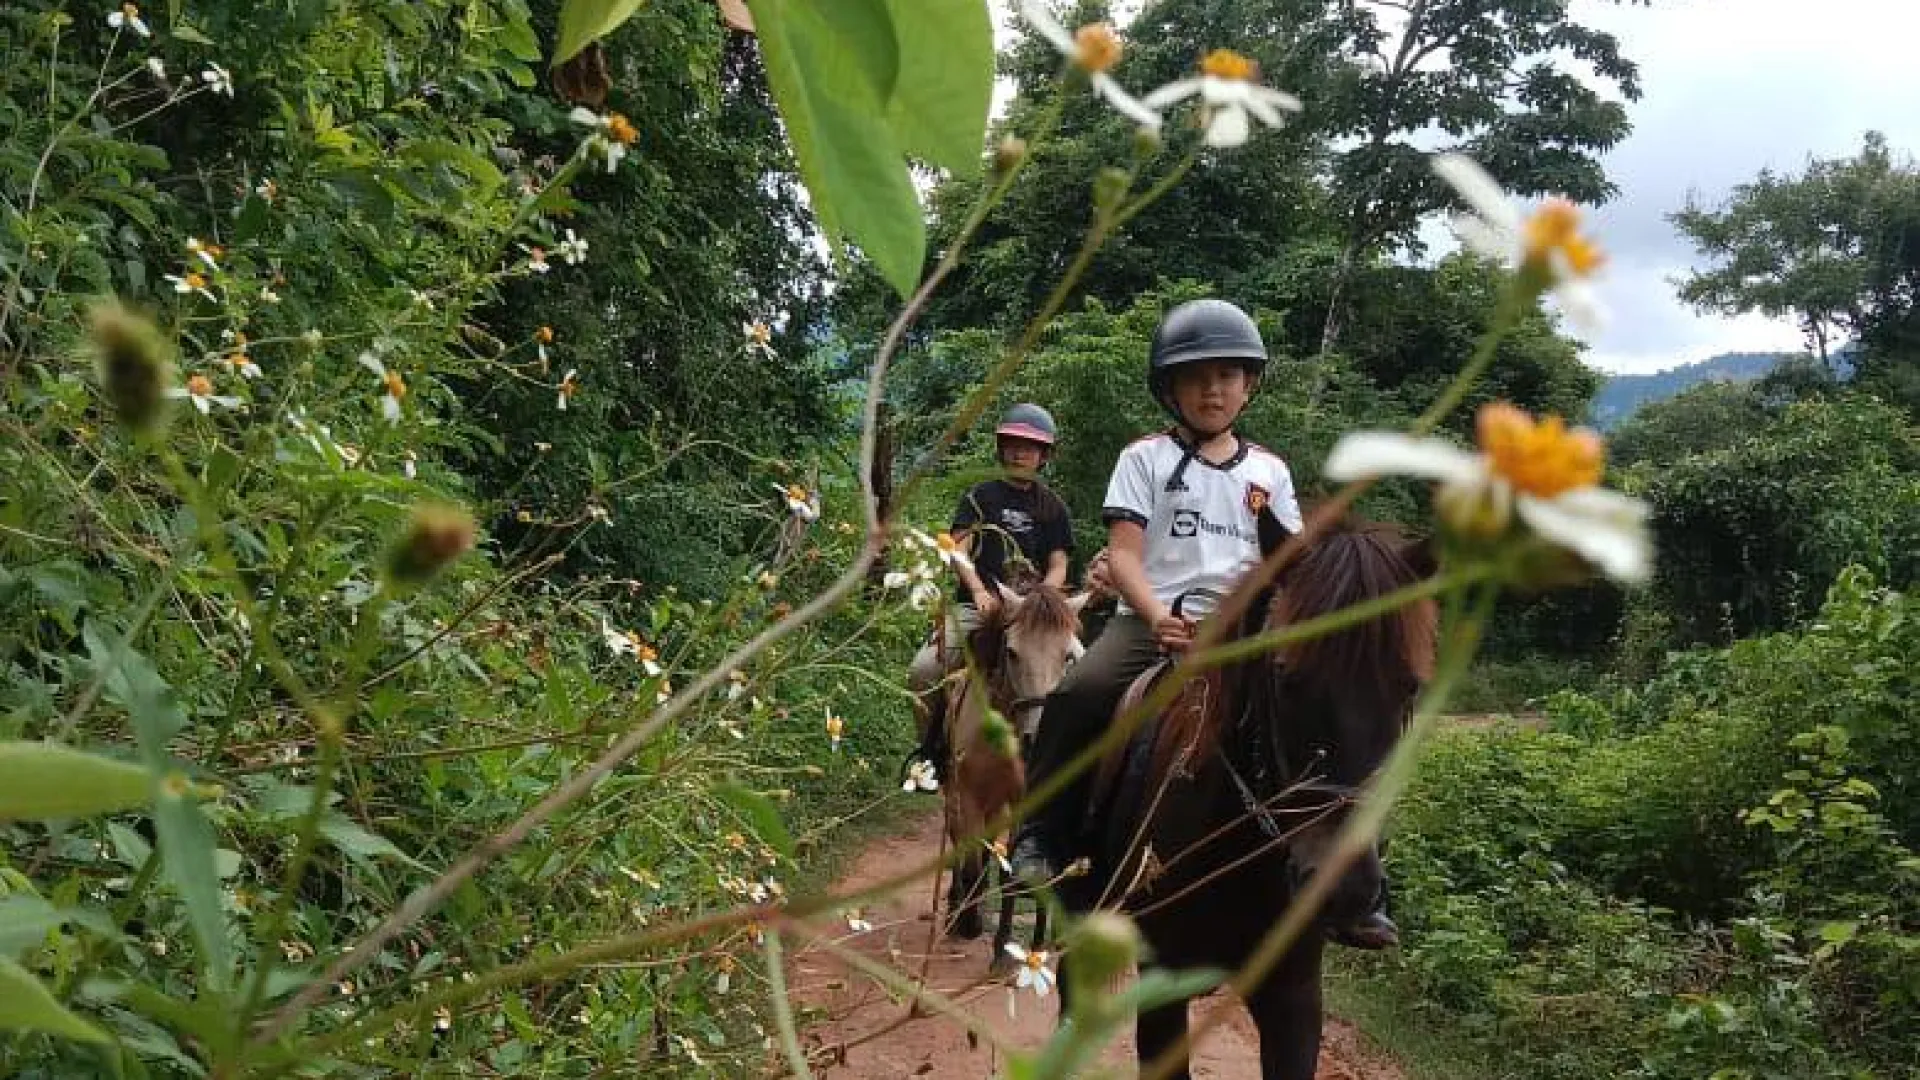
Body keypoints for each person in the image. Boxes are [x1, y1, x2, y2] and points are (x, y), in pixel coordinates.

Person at [1006, 298, 1397, 949]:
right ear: (1171, 388)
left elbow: (1290, 567)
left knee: (1330, 716)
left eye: (1228, 375)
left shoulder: (1270, 473)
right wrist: (1157, 615)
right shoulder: (1145, 458)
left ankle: (1362, 886)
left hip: (1242, 632)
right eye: (1197, 376)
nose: (1213, 388)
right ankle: (1041, 833)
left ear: (1248, 387)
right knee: (1079, 692)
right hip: (1153, 623)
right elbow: (1126, 556)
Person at [905, 403, 1076, 780]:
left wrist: (1041, 601)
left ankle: (1061, 765)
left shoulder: (1053, 508)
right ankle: (932, 754)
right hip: (978, 606)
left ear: (1042, 456)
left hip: (1031, 613)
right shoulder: (979, 497)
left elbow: (1059, 565)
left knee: (1080, 669)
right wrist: (979, 590)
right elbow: (957, 550)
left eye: (1029, 447)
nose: (1019, 452)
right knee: (923, 671)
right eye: (1013, 444)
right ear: (1001, 449)